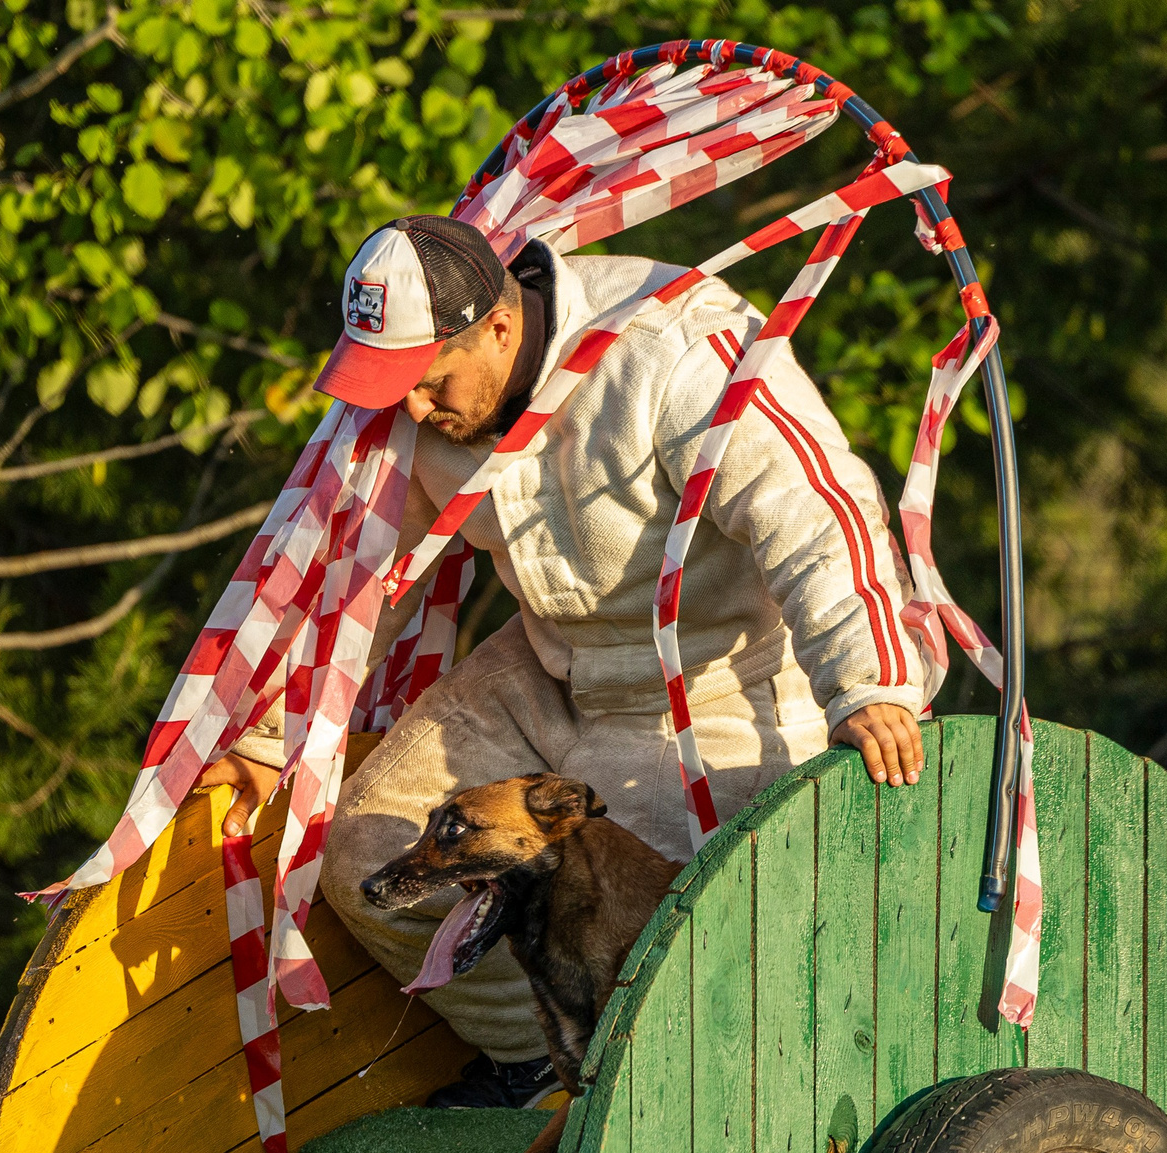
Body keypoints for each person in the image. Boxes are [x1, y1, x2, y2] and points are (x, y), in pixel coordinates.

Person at [196, 214, 939, 1107]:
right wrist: (267, 737)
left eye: (428, 382)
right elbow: (358, 580)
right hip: (550, 665)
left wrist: (866, 682)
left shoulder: (673, 346)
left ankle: (622, 1083)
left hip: (718, 684)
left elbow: (814, 511)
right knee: (363, 855)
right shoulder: (414, 406)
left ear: (499, 326)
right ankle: (538, 1061)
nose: (412, 410)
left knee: (647, 928)